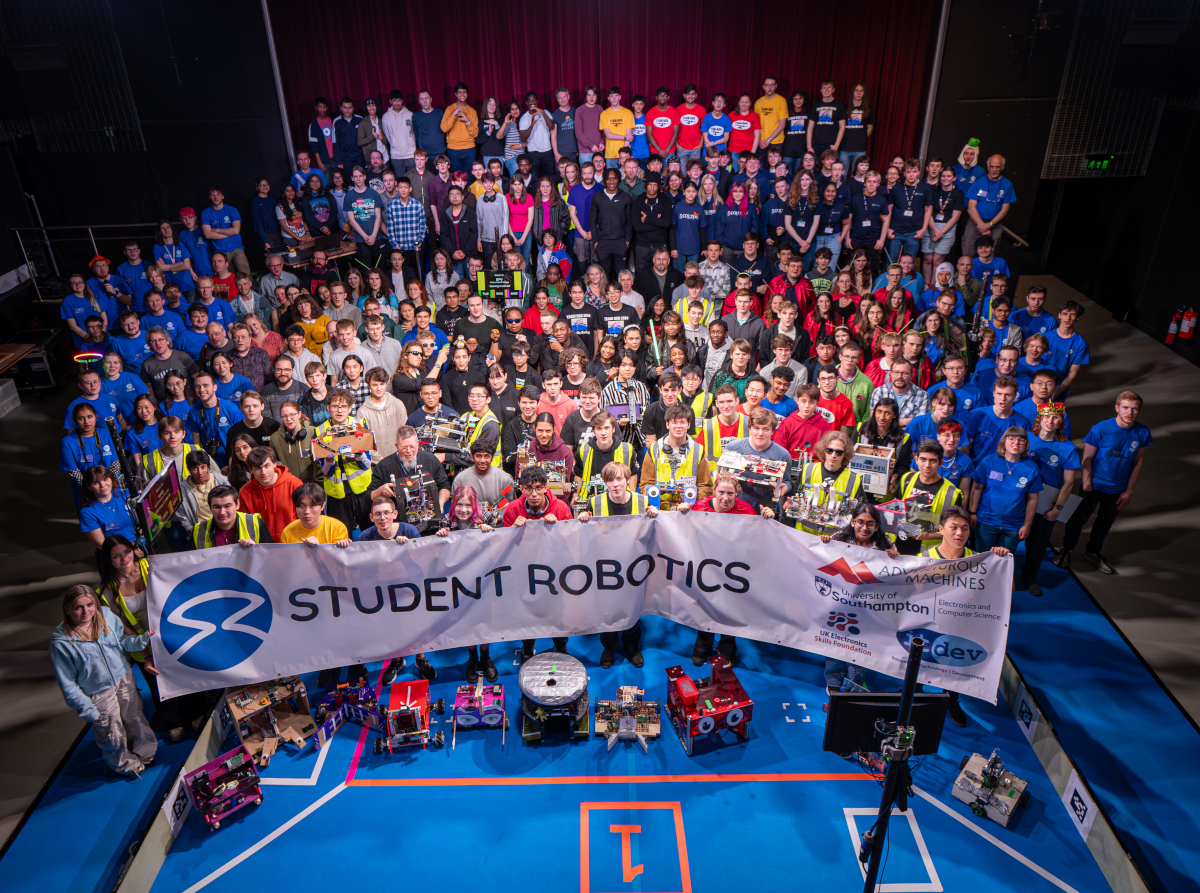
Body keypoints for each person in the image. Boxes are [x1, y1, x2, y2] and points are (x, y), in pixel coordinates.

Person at [51, 585, 156, 777]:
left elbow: (122, 641)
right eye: (78, 607)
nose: (86, 612)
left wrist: (140, 641)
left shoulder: (106, 615)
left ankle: (146, 751)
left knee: (135, 717)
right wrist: (87, 709)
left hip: (124, 678)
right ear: (67, 609)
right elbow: (67, 684)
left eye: (90, 604)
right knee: (111, 731)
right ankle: (125, 764)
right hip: (98, 693)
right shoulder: (61, 643)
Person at [919, 505, 1009, 726]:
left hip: (961, 626)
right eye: (954, 527)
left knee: (955, 665)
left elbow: (1003, 592)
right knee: (919, 664)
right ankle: (913, 694)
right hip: (927, 624)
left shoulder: (980, 561)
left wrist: (1002, 561)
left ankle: (951, 700)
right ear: (941, 529)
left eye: (965, 529)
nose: (959, 533)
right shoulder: (922, 558)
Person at [1057, 391, 1151, 575]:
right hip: (1094, 485)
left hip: (1118, 488)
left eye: (1134, 409)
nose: (1129, 412)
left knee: (1105, 522)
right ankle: (1065, 549)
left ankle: (1092, 552)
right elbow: (1088, 457)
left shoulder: (1142, 432)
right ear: (1117, 408)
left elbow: (1138, 461)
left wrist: (1129, 490)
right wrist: (1086, 481)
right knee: (1078, 520)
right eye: (1125, 407)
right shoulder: (1100, 429)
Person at [576, 461, 658, 667]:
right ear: (605, 482)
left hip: (633, 567)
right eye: (610, 480)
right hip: (605, 568)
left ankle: (631, 647)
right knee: (607, 608)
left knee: (632, 606)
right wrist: (584, 518)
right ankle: (609, 646)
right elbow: (584, 537)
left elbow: (656, 533)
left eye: (620, 479)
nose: (615, 484)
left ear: (628, 479)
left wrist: (655, 516)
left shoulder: (643, 501)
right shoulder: (594, 503)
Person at [816, 504, 898, 687]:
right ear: (852, 522)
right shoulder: (838, 539)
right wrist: (823, 542)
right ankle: (833, 682)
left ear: (877, 526)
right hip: (839, 603)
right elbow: (818, 556)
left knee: (861, 644)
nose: (864, 527)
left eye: (870, 524)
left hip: (867, 607)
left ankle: (855, 683)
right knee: (835, 641)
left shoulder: (886, 545)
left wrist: (895, 558)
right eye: (860, 522)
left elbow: (895, 574)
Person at [503, 465, 575, 659]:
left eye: (538, 488)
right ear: (522, 489)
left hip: (554, 571)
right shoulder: (511, 510)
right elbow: (504, 547)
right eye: (528, 488)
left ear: (545, 487)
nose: (533, 494)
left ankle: (560, 646)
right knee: (527, 611)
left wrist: (558, 527)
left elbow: (571, 542)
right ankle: (528, 646)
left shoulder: (560, 508)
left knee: (557, 611)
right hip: (525, 572)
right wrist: (513, 531)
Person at [968, 425, 1042, 563]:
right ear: (1004, 441)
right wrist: (972, 512)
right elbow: (977, 488)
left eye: (1021, 440)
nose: (1016, 443)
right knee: (983, 561)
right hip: (986, 522)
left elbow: (1033, 499)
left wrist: (1027, 524)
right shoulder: (989, 461)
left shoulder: (1031, 468)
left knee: (1003, 563)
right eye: (1011, 439)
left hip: (1013, 526)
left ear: (1026, 444)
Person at [894, 439, 964, 554]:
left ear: (940, 463)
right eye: (923, 459)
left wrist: (928, 535)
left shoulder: (952, 493)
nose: (927, 465)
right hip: (900, 547)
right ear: (916, 460)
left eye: (932, 461)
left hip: (929, 555)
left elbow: (956, 531)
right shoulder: (906, 479)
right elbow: (895, 512)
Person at [963, 154, 1015, 258]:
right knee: (968, 247)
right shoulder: (978, 183)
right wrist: (983, 226)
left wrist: (990, 225)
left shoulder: (1007, 185)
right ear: (988, 167)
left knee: (991, 252)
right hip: (976, 221)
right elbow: (971, 208)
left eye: (997, 167)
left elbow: (1005, 210)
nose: (994, 169)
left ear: (1002, 168)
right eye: (992, 166)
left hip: (995, 222)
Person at [856, 398, 910, 498]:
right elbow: (849, 452)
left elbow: (904, 465)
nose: (882, 417)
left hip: (884, 488)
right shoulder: (861, 428)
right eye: (879, 412)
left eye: (887, 413)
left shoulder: (904, 437)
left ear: (894, 416)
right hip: (858, 484)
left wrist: (896, 475)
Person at [79, 466, 137, 548]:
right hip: (117, 553)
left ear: (111, 479)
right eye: (95, 483)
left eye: (105, 479)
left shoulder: (124, 494)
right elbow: (102, 545)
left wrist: (142, 540)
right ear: (89, 487)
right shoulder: (87, 513)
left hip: (140, 542)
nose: (102, 485)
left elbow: (140, 520)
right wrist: (132, 551)